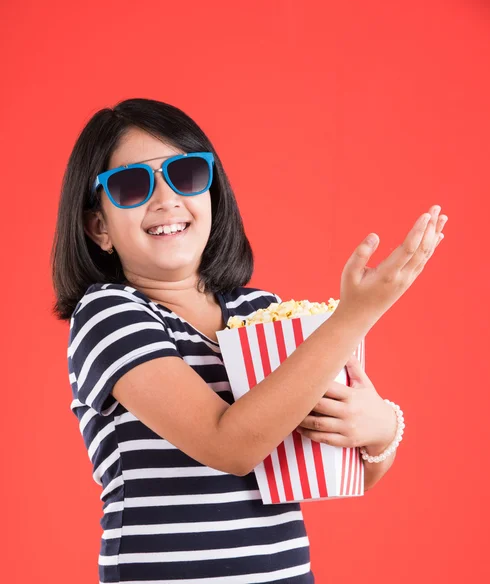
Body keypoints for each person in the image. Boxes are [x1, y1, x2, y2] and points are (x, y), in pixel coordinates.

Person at [50, 97, 447, 583]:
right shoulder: (108, 315)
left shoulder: (260, 313)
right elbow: (230, 446)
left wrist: (381, 429)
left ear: (211, 193)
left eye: (186, 173)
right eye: (132, 185)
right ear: (99, 228)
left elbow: (338, 473)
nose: (166, 199)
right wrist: (353, 316)